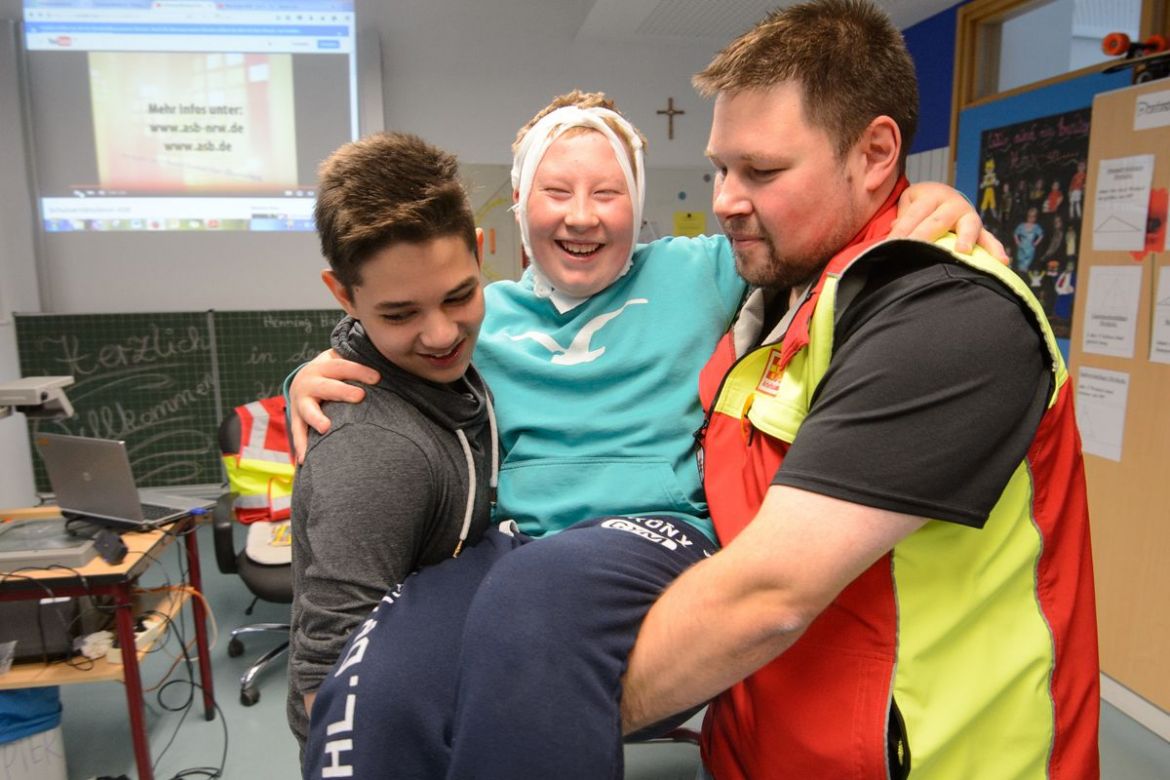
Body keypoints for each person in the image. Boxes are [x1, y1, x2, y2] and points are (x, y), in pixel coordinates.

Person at [292, 94, 999, 779]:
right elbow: (390, 336)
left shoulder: (702, 270)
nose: (581, 215)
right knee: (378, 674)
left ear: (638, 204)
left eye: (608, 192)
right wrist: (312, 371)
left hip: (655, 530)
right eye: (557, 190)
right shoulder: (478, 314)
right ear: (517, 207)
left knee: (534, 602)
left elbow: (816, 236)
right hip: (514, 545)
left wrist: (928, 203)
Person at [617, 2, 1099, 779]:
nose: (725, 199)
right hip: (756, 746)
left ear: (876, 153)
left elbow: (770, 595)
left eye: (762, 171)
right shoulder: (778, 287)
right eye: (720, 167)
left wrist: (554, 711)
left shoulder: (950, 315)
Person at [285, 131, 499, 750]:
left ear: (480, 253)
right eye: (400, 314)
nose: (441, 335)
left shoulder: (465, 368)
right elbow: (327, 675)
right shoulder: (374, 451)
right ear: (343, 295)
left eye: (459, 295)